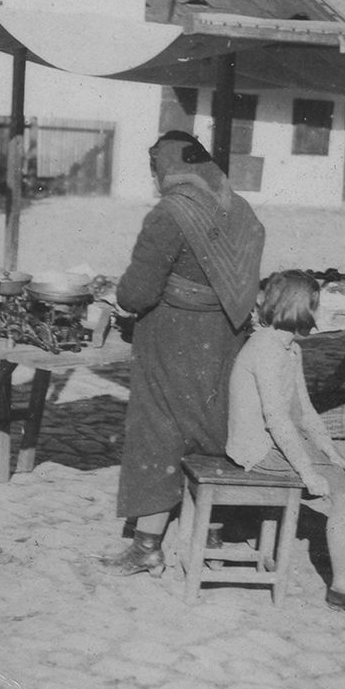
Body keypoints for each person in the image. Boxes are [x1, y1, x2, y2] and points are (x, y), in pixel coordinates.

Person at [98, 130, 265, 576]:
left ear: (166, 169)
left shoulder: (169, 214)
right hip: (226, 334)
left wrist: (122, 301)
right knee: (213, 424)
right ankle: (210, 529)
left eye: (155, 172)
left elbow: (137, 293)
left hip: (172, 335)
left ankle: (147, 545)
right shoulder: (241, 210)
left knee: (159, 430)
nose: (155, 183)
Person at [226, 270, 345, 617]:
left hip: (276, 440)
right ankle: (343, 588)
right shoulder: (266, 350)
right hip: (256, 448)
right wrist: (308, 471)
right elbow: (277, 420)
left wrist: (334, 453)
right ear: (298, 308)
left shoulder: (289, 347)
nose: (320, 312)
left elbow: (306, 412)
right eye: (316, 306)